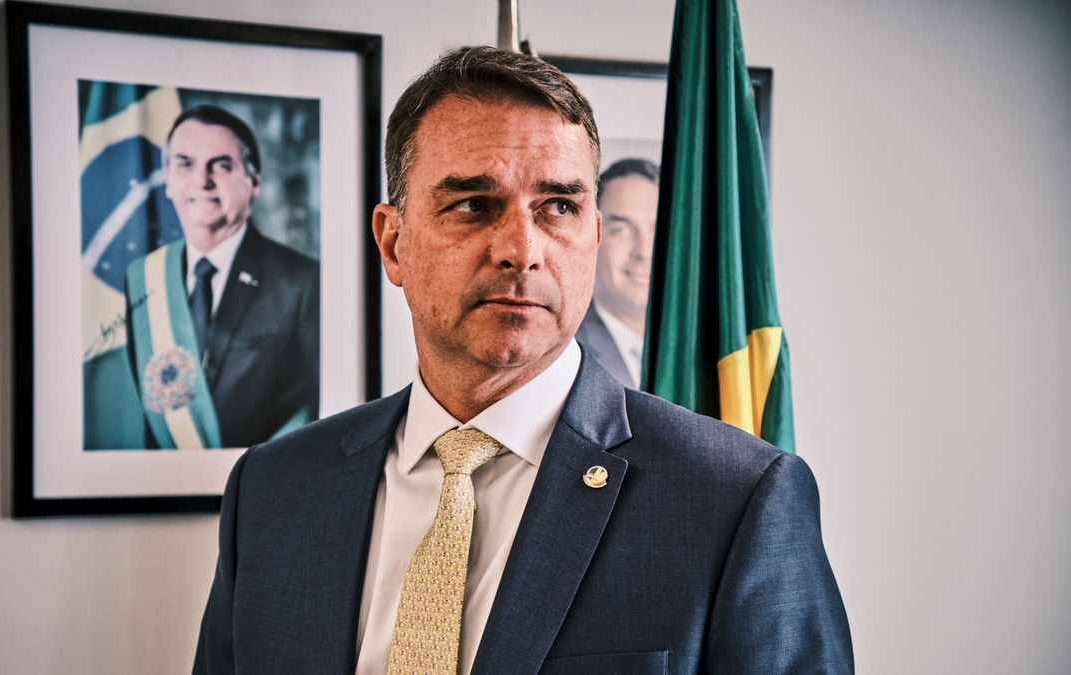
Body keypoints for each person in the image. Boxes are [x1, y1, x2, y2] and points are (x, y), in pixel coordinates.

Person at [193, 48, 852, 673]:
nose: (521, 249)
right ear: (393, 244)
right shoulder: (273, 491)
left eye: (558, 206)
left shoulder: (734, 499)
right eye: (474, 205)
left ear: (591, 236)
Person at [125, 105, 319, 450]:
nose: (202, 180)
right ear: (167, 179)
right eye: (185, 164)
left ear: (254, 182)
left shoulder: (302, 281)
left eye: (222, 165)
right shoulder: (142, 277)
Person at [575, 158, 659, 388]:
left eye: (658, 230)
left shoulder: (706, 352)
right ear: (594, 237)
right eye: (621, 230)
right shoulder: (565, 353)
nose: (644, 251)